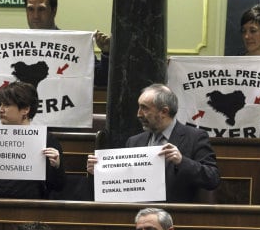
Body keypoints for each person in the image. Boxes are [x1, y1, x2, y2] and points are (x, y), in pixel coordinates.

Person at [87, 83, 220, 203]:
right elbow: (125, 183)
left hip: (177, 215)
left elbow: (212, 178)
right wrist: (99, 172)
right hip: (137, 214)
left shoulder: (195, 137)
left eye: (144, 108)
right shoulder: (134, 141)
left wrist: (182, 161)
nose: (138, 114)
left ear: (164, 112)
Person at [0, 81, 65, 198]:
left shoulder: (47, 140)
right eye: (0, 104)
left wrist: (56, 166)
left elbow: (58, 186)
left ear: (25, 109)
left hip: (31, 208)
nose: (0, 110)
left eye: (6, 105)